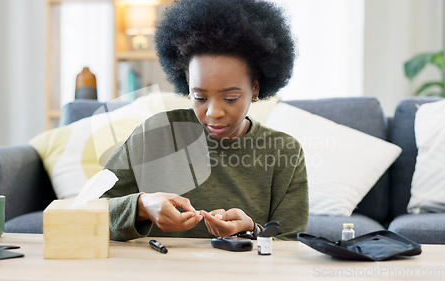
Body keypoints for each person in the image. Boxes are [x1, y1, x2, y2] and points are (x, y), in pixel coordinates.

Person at [102, 0, 308, 241]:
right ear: (186, 85)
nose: (213, 112)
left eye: (230, 98)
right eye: (200, 97)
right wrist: (142, 206)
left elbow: (293, 243)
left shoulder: (285, 152)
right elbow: (86, 212)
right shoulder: (155, 134)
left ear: (255, 88)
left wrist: (252, 229)